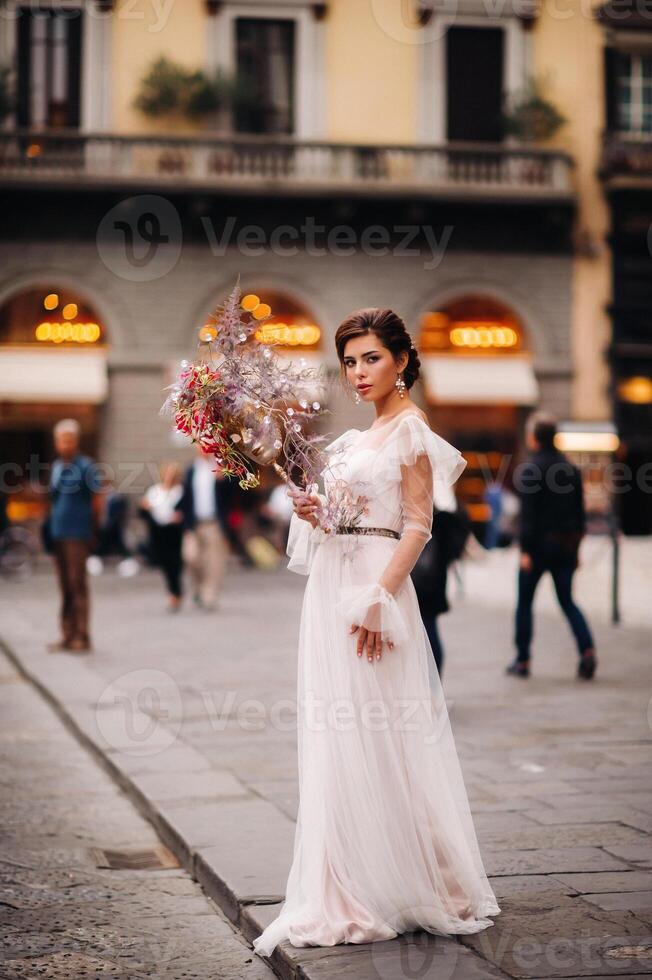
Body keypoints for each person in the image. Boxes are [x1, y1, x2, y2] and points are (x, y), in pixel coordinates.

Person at [252, 308, 500, 959]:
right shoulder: (360, 437)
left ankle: (402, 879)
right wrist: (315, 510)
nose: (358, 373)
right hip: (331, 588)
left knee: (378, 731)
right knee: (343, 735)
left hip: (371, 590)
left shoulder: (412, 431)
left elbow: (417, 525)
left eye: (371, 359)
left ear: (401, 361)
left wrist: (376, 599)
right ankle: (351, 873)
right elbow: (344, 520)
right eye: (350, 361)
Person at [506, 411, 597, 680]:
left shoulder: (531, 469)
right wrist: (577, 549)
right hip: (566, 546)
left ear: (534, 438)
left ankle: (523, 660)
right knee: (568, 601)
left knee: (525, 604)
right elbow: (581, 514)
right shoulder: (570, 469)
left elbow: (528, 515)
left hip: (537, 549)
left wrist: (525, 551)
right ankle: (587, 650)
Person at [47, 419, 102, 653]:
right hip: (58, 533)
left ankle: (82, 635)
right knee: (64, 586)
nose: (64, 444)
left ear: (76, 441)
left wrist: (93, 529)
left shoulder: (86, 466)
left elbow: (98, 500)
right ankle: (67, 634)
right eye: (60, 440)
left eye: (68, 439)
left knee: (77, 584)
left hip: (78, 534)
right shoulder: (57, 466)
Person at [178, 444, 234, 611]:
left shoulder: (219, 469)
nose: (204, 450)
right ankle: (198, 587)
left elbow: (233, 495)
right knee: (191, 557)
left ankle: (209, 594)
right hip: (194, 523)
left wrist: (225, 479)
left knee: (213, 561)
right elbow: (186, 498)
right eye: (202, 446)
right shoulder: (191, 470)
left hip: (214, 523)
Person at [139, 462, 184, 612]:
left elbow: (184, 510)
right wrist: (145, 507)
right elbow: (144, 512)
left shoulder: (180, 492)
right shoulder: (155, 491)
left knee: (175, 563)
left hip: (174, 532)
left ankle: (176, 592)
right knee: (165, 563)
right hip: (158, 531)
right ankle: (173, 591)